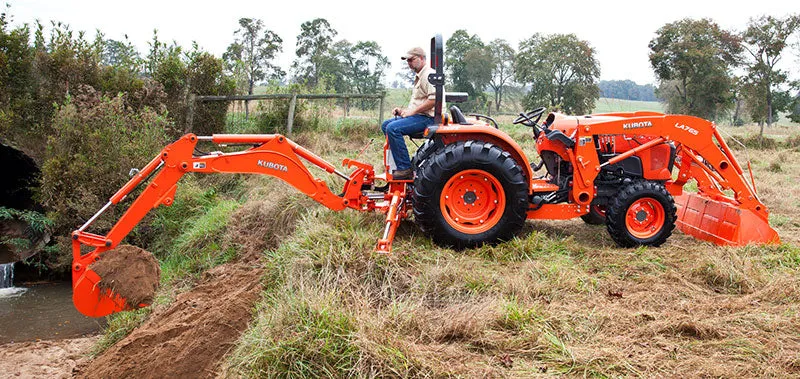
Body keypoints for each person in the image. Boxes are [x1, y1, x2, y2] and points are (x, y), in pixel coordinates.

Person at [381, 46, 436, 180]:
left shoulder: (428, 74)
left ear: (422, 58)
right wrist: (404, 112)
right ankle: (397, 163)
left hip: (428, 118)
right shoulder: (420, 75)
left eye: (411, 60)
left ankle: (405, 169)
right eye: (407, 61)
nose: (409, 63)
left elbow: (434, 100)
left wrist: (412, 112)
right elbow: (419, 101)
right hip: (419, 115)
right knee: (386, 125)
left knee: (392, 128)